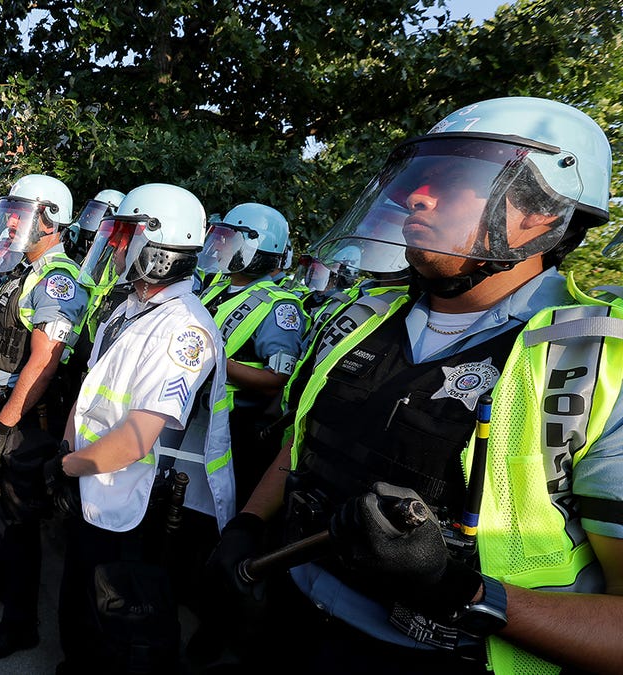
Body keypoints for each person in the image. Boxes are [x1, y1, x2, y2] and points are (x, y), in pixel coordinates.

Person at [211, 96, 623, 674]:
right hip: (290, 618)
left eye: (452, 179)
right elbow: (305, 441)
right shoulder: (364, 319)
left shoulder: (595, 359)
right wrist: (250, 523)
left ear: (542, 214)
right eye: (415, 180)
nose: (413, 197)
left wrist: (466, 592)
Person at [47, 183, 230, 672]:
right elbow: (89, 393)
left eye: (126, 237)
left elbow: (135, 440)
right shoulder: (126, 311)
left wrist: (66, 467)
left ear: (161, 253)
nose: (116, 246)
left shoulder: (184, 329)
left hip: (134, 498)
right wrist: (67, 451)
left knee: (118, 618)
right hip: (91, 477)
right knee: (80, 597)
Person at [0, 173, 89, 659]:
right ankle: (1, 575)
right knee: (0, 510)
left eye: (23, 213)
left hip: (23, 420)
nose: (13, 221)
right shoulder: (26, 268)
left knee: (19, 519)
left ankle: (20, 625)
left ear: (50, 221)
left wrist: (7, 422)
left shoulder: (58, 277)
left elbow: (46, 358)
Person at [195, 202, 306, 505]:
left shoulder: (279, 307)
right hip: (200, 415)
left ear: (258, 250)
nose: (222, 246)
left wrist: (214, 359)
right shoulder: (217, 286)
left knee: (219, 506)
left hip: (238, 428)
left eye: (232, 240)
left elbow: (275, 379)